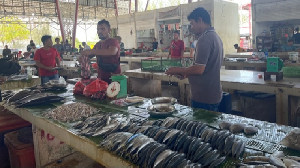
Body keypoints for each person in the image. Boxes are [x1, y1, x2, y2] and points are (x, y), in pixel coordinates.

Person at [165, 7, 223, 112]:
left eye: (192, 24)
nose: (192, 27)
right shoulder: (215, 37)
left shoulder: (205, 39)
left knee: (201, 126)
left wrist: (177, 70)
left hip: (204, 98)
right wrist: (187, 73)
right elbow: (206, 68)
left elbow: (199, 69)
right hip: (212, 94)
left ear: (200, 20)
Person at [81, 19, 121, 84]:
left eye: (103, 29)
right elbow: (89, 55)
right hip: (101, 78)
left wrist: (92, 51)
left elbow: (112, 52)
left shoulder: (113, 41)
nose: (99, 31)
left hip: (114, 78)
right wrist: (83, 56)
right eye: (98, 29)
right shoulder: (97, 44)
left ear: (109, 30)